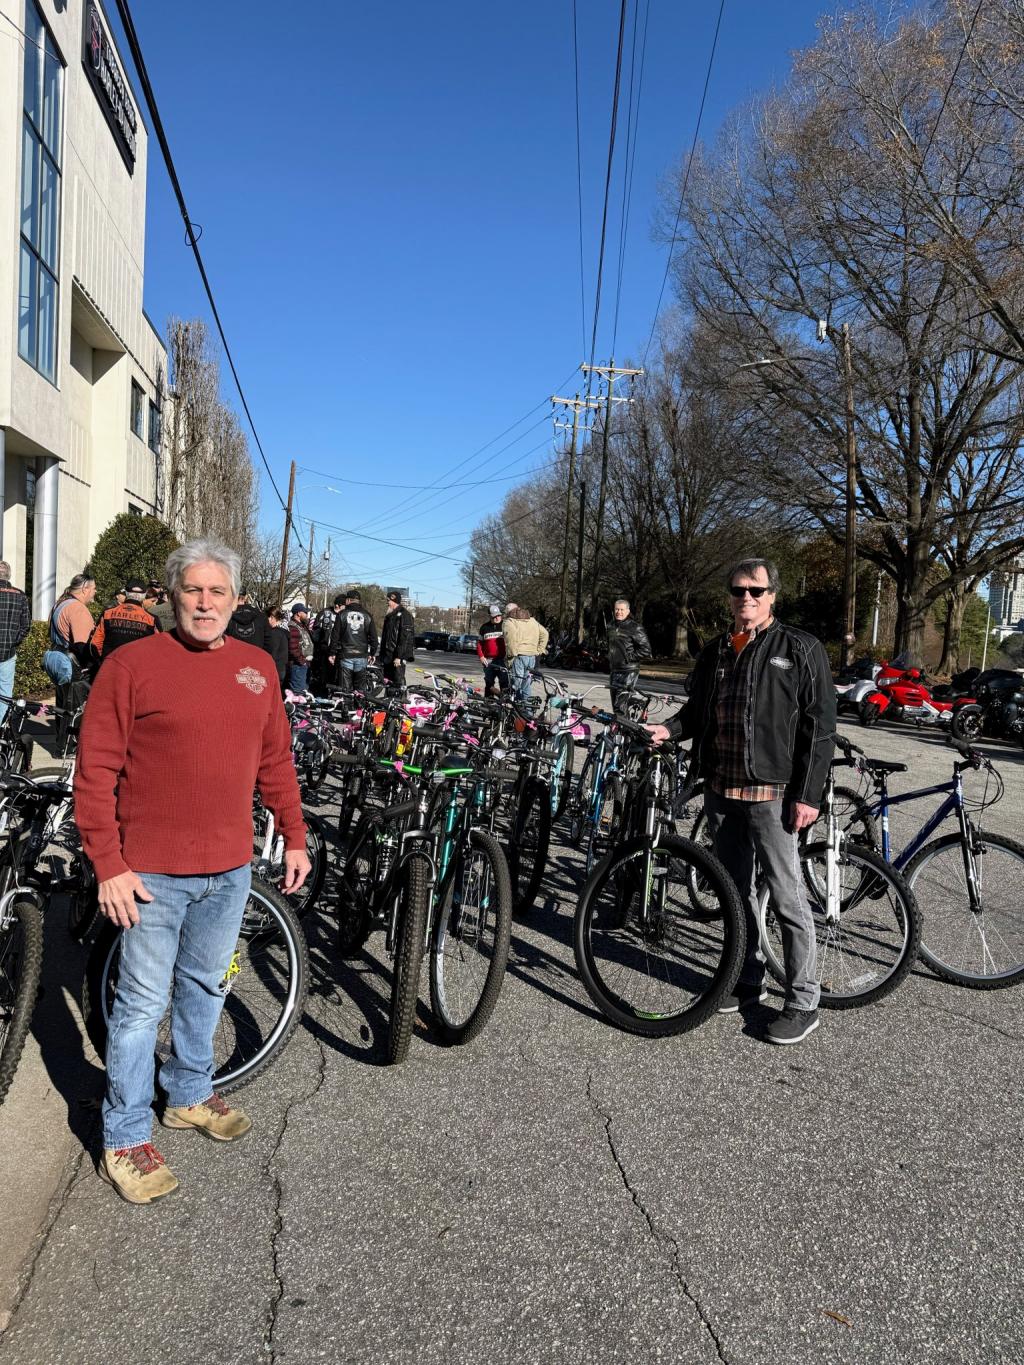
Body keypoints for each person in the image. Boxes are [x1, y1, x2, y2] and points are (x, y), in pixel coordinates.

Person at [73, 537, 310, 1204]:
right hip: (150, 873)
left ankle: (187, 1093)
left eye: (217, 591)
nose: (205, 603)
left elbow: (275, 761)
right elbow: (95, 772)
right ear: (173, 595)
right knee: (141, 1006)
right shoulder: (132, 666)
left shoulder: (257, 668)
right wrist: (108, 864)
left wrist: (295, 836)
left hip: (230, 869)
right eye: (193, 590)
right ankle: (124, 1135)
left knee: (206, 985)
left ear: (235, 600)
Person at [647, 558, 835, 1046]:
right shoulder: (716, 650)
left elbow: (820, 728)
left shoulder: (800, 648)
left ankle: (803, 1000)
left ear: (773, 595)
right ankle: (748, 980)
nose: (745, 598)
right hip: (721, 790)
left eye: (755, 590)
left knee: (787, 897)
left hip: (773, 795)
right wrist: (668, 729)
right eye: (738, 590)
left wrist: (808, 795)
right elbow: (697, 711)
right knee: (736, 892)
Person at [90, 578, 160, 665]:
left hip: (109, 665)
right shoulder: (151, 619)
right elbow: (157, 647)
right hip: (136, 667)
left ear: (126, 593)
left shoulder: (108, 613)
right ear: (144, 595)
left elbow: (95, 644)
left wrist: (101, 662)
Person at [328, 591, 378, 695]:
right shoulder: (368, 615)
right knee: (360, 690)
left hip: (345, 655)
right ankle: (358, 705)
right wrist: (372, 653)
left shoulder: (341, 614)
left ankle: (347, 704)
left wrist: (332, 653)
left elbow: (335, 636)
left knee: (345, 690)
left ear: (348, 600)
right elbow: (374, 638)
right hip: (361, 655)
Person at [607, 598, 652, 712]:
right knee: (616, 706)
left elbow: (646, 650)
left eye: (622, 609)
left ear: (628, 611)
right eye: (617, 609)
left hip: (628, 670)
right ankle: (634, 703)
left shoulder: (635, 627)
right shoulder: (611, 625)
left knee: (620, 707)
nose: (619, 612)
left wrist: (628, 657)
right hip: (614, 670)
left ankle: (624, 724)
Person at [0, 561, 31, 720]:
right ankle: (1, 726)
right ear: (9, 575)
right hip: (8, 652)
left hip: (9, 650)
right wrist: (13, 642)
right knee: (5, 692)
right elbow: (26, 626)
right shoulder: (20, 595)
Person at [502, 603, 549, 704]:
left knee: (517, 684)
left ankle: (520, 708)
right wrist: (539, 650)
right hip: (532, 656)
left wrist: (511, 656)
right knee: (526, 684)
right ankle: (525, 708)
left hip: (518, 656)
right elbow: (545, 633)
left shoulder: (510, 622)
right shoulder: (532, 620)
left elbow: (510, 640)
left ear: (508, 612)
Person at [379, 590, 415, 687]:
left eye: (388, 601)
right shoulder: (390, 616)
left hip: (397, 657)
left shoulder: (405, 615)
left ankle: (399, 696)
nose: (387, 603)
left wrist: (399, 657)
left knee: (397, 683)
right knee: (388, 683)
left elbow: (405, 638)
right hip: (388, 656)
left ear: (394, 601)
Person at [310, 597, 344, 694]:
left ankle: (329, 692)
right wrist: (321, 643)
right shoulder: (325, 614)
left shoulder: (343, 615)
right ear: (338, 605)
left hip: (337, 649)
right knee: (324, 674)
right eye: (344, 606)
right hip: (324, 649)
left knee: (334, 675)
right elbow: (315, 631)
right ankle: (322, 693)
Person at [476, 604, 508, 697]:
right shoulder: (484, 627)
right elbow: (479, 644)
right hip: (488, 660)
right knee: (489, 682)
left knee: (504, 682)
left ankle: (504, 702)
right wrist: (481, 657)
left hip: (502, 660)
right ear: (490, 616)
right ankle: (489, 702)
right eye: (494, 616)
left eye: (498, 615)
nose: (497, 618)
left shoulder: (505, 626)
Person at [225, 587, 270, 652]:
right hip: (256, 655)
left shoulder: (226, 617)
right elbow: (268, 642)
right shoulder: (261, 616)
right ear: (246, 597)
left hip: (233, 655)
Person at [287, 603, 315, 694]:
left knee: (304, 692)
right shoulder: (293, 627)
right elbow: (293, 648)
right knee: (298, 693)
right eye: (305, 612)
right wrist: (302, 661)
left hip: (305, 664)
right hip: (298, 665)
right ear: (298, 613)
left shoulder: (302, 626)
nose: (307, 615)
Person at [266, 607, 290, 693]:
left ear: (272, 617)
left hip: (275, 668)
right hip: (282, 667)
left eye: (268, 617)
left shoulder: (275, 633)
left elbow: (272, 652)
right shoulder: (285, 630)